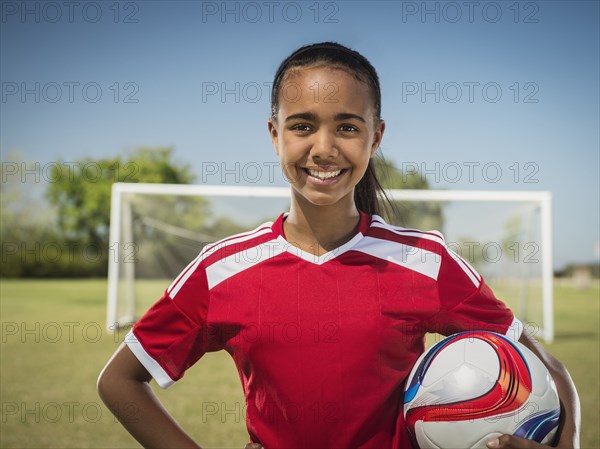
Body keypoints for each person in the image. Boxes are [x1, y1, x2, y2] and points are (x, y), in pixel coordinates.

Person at [98, 42, 581, 449]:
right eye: (302, 125)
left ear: (376, 138)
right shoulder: (221, 270)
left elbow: (547, 366)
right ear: (274, 135)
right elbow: (119, 381)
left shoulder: (425, 261)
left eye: (347, 127)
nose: (324, 148)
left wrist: (568, 441)